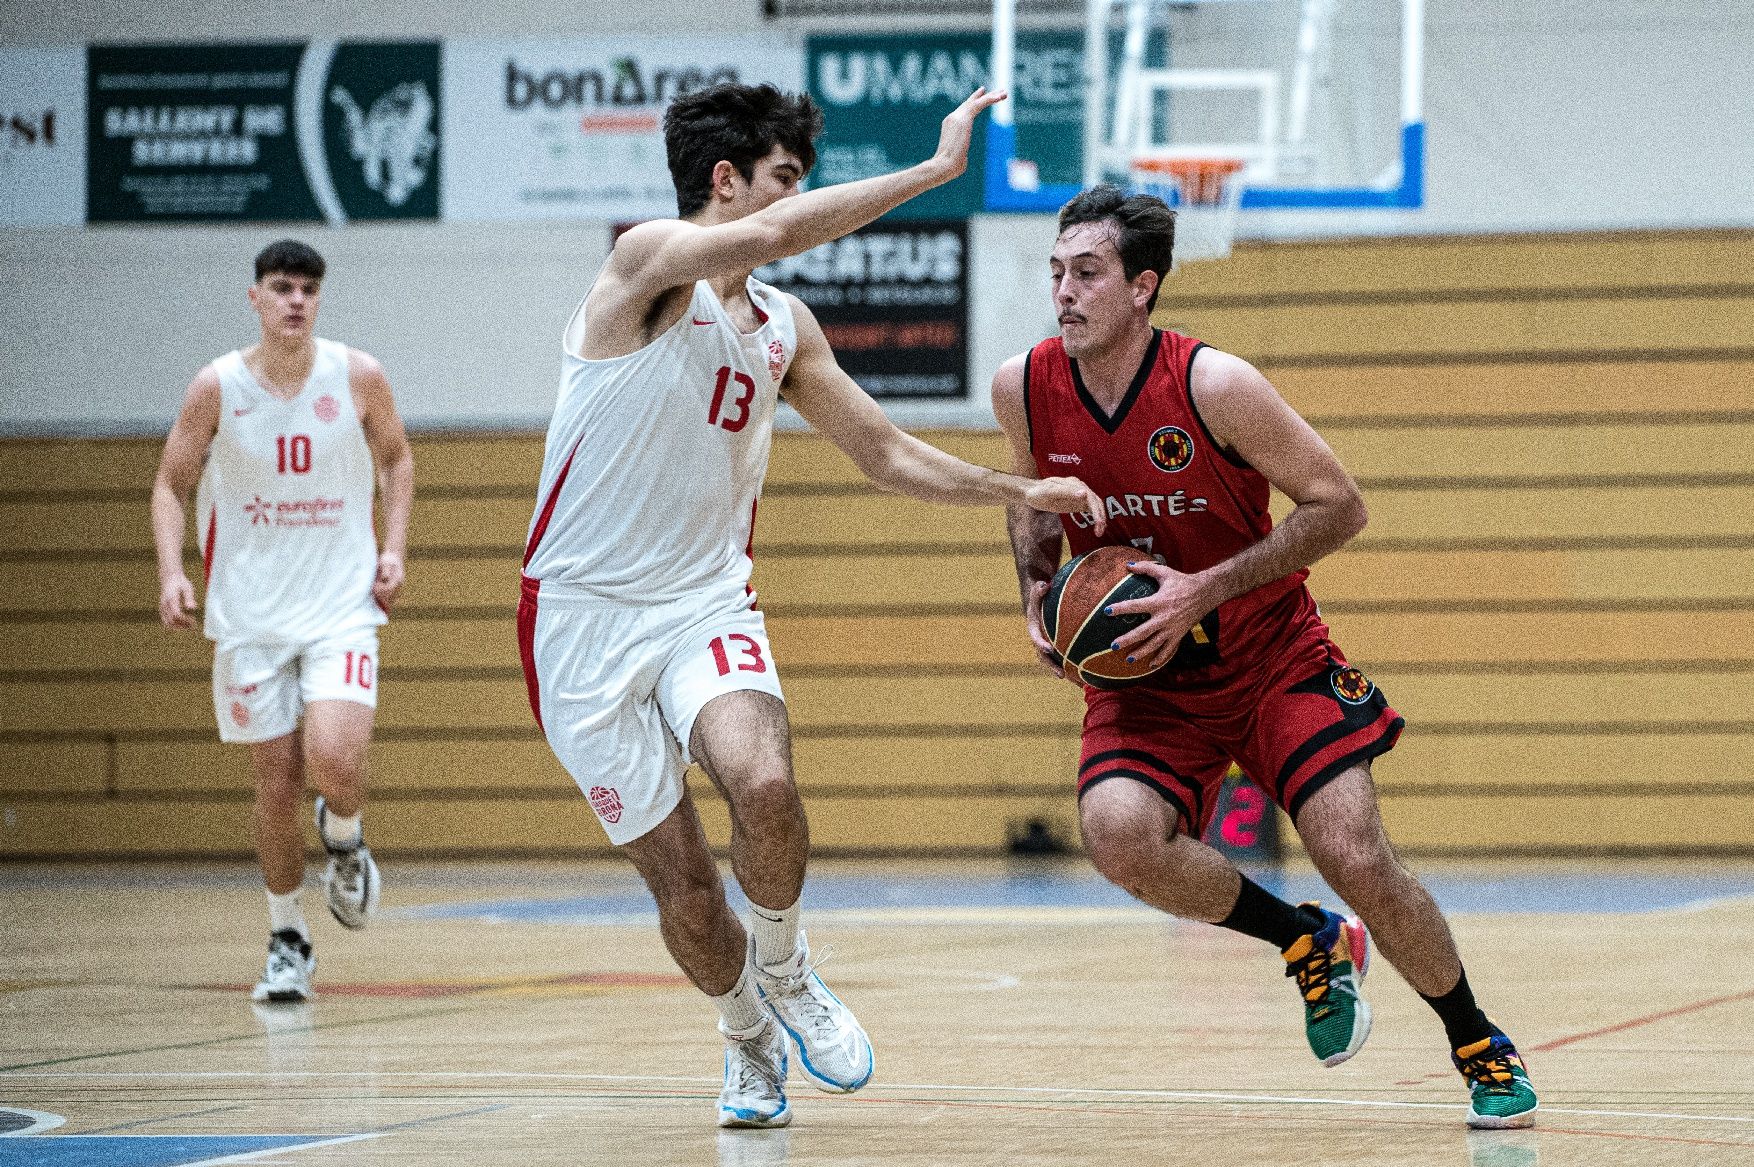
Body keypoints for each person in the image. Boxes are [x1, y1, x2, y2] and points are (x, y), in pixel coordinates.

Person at [517, 83, 1102, 1130]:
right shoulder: (644, 265)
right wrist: (931, 173)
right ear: (726, 180)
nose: (798, 201)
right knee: (687, 892)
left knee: (767, 781)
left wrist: (1014, 491)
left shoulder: (782, 326)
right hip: (578, 624)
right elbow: (781, 230)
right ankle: (744, 1040)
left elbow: (883, 451)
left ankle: (785, 969)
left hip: (702, 603)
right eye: (785, 175)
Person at [991, 186, 1538, 1130]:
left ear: (1142, 288)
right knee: (1118, 833)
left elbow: (1340, 506)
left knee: (1353, 850)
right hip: (1150, 678)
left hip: (1269, 652)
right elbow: (1035, 498)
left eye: (1087, 273)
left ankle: (1476, 1036)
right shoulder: (1025, 385)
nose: (1064, 292)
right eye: (1056, 271)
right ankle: (1308, 942)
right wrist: (1038, 593)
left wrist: (1202, 588)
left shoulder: (1216, 386)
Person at [151, 239, 414, 1005]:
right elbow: (171, 483)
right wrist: (173, 571)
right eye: (281, 287)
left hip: (339, 609)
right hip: (250, 617)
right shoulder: (218, 387)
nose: (295, 300)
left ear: (318, 300)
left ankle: (344, 835)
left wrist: (392, 550)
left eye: (307, 289)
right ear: (256, 298)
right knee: (274, 783)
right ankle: (287, 937)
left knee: (333, 759)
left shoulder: (357, 375)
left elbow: (397, 461)